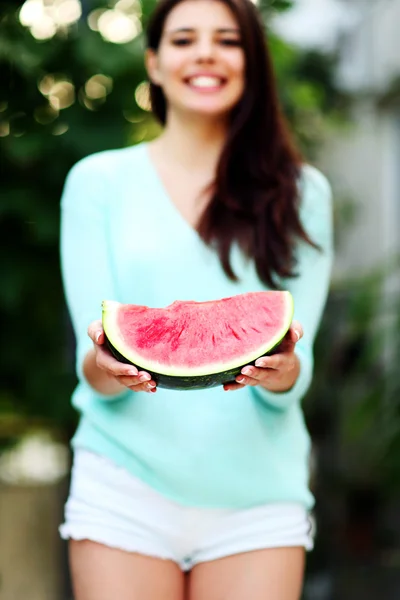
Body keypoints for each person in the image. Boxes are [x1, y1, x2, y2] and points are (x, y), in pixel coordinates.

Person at [59, 0, 333, 597]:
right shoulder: (97, 183)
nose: (206, 53)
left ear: (251, 63)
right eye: (184, 40)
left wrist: (283, 370)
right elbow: (95, 358)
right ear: (155, 64)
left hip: (258, 494)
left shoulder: (302, 193)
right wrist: (107, 363)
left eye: (227, 40)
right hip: (123, 483)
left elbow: (295, 371)